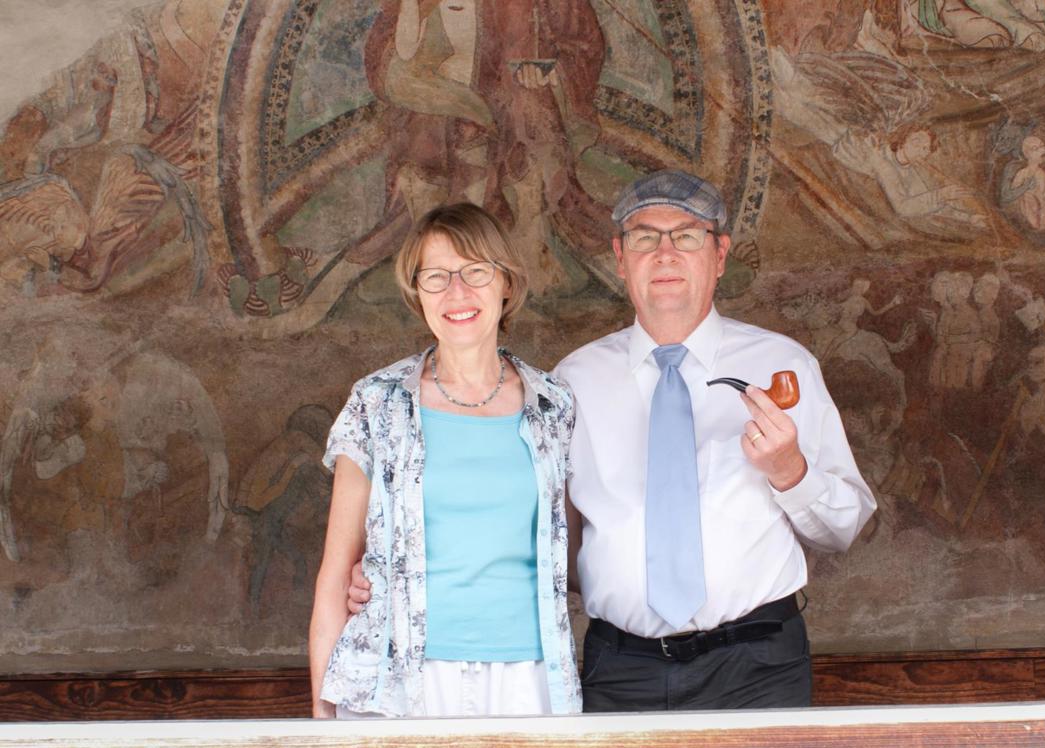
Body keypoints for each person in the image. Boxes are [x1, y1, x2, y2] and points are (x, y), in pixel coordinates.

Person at [350, 171, 875, 712]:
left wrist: (791, 470)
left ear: (719, 255)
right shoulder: (569, 384)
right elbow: (532, 530)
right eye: (646, 237)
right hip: (622, 669)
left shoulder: (783, 365)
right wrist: (385, 571)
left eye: (687, 236)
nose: (666, 253)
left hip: (757, 663)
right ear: (620, 258)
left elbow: (845, 526)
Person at [309, 202, 580, 719]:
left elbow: (573, 547)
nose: (457, 293)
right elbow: (333, 575)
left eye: (475, 271)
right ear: (417, 292)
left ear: (506, 282)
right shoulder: (377, 402)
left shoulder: (553, 405)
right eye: (436, 277)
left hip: (528, 678)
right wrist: (322, 726)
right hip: (399, 678)